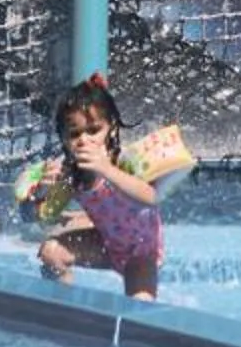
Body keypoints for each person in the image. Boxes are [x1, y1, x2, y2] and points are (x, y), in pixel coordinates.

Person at [18, 76, 174, 302]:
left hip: (141, 254)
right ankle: (63, 305)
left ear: (111, 128)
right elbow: (37, 216)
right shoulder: (72, 175)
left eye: (94, 130)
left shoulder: (125, 161)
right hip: (104, 244)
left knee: (140, 304)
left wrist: (106, 169)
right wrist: (40, 190)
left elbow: (151, 197)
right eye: (74, 134)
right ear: (63, 138)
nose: (84, 140)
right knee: (50, 252)